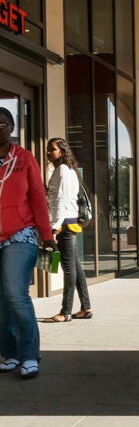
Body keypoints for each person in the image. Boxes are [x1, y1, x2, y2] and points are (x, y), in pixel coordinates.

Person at [0, 106, 56, 379]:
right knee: (1, 300)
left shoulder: (24, 159)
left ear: (11, 128)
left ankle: (30, 355)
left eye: (3, 123)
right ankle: (10, 354)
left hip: (20, 234)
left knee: (15, 293)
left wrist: (47, 235)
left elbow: (37, 197)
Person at [43, 138, 92, 323]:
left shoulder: (63, 171)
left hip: (64, 225)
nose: (49, 152)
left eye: (52, 149)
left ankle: (66, 312)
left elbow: (61, 201)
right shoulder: (63, 170)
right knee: (76, 267)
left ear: (62, 152)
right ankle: (86, 308)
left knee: (69, 268)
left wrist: (54, 228)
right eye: (48, 149)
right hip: (67, 223)